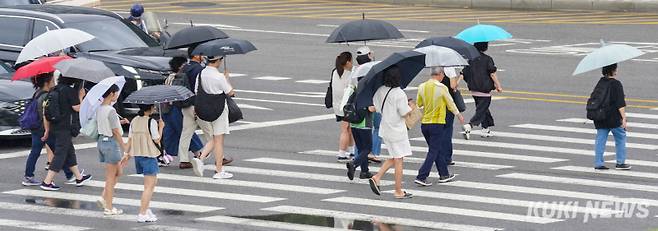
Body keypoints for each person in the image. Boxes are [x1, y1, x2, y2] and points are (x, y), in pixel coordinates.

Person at [179, 50, 233, 169]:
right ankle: (209, 158)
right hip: (199, 105)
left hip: (186, 104)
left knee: (186, 133)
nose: (202, 57)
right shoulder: (199, 70)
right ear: (195, 55)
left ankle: (183, 159)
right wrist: (225, 78)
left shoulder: (184, 67)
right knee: (213, 135)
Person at [368, 66, 414, 199]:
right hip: (397, 130)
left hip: (385, 128)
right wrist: (410, 106)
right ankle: (398, 191)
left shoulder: (380, 90)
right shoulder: (399, 93)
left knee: (395, 157)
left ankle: (377, 177)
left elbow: (374, 108)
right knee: (399, 159)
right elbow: (404, 113)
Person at [22, 73, 76, 186]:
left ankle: (28, 176)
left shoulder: (37, 93)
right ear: (47, 82)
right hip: (44, 129)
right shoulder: (46, 96)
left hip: (35, 127)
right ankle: (70, 175)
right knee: (60, 152)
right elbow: (46, 115)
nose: (54, 82)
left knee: (36, 152)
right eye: (52, 80)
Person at [414, 67, 465, 186]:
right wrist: (458, 114)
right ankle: (422, 176)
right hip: (437, 123)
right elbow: (450, 103)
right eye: (443, 75)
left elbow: (419, 103)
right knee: (433, 151)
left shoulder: (422, 86)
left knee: (437, 149)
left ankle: (444, 174)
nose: (443, 77)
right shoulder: (442, 88)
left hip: (425, 123)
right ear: (440, 74)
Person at [41, 76, 92, 191]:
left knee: (69, 152)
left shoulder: (55, 89)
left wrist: (47, 129)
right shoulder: (70, 91)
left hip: (55, 125)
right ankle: (47, 182)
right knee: (60, 154)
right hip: (65, 128)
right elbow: (78, 108)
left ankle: (79, 177)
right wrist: (80, 96)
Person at [193, 56, 235, 179]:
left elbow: (196, 90)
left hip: (204, 108)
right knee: (219, 140)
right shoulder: (219, 76)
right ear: (217, 61)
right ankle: (218, 170)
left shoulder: (201, 74)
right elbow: (230, 92)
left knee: (214, 138)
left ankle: (200, 159)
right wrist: (226, 78)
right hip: (219, 109)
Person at [120, 104, 163, 223]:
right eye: (153, 107)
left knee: (149, 185)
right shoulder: (151, 122)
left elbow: (130, 139)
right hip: (149, 155)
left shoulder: (134, 120)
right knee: (149, 187)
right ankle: (142, 213)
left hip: (138, 156)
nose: (154, 108)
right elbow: (157, 139)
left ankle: (146, 209)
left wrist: (126, 154)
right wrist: (161, 127)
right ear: (149, 108)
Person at [162, 56, 204, 164]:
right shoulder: (179, 77)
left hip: (168, 108)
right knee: (185, 131)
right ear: (181, 66)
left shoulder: (169, 77)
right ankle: (197, 153)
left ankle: (164, 154)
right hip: (176, 108)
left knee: (171, 132)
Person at [95, 84, 129, 215]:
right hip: (111, 143)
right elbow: (115, 131)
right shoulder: (111, 110)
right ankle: (108, 207)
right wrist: (124, 146)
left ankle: (104, 197)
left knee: (118, 172)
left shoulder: (100, 109)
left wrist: (121, 122)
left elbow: (108, 124)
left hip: (102, 142)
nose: (117, 95)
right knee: (110, 177)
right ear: (111, 94)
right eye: (116, 93)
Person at [592, 64, 631, 171]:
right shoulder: (616, 84)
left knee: (600, 139)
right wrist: (624, 118)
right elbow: (620, 103)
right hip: (613, 117)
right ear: (613, 71)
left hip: (600, 116)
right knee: (620, 137)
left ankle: (598, 163)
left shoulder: (600, 82)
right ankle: (620, 162)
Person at [461, 42, 502, 140]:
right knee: (481, 111)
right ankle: (469, 126)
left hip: (474, 90)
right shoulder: (488, 59)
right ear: (485, 47)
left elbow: (464, 73)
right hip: (484, 90)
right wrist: (498, 86)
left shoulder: (471, 60)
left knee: (483, 110)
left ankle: (485, 129)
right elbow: (492, 74)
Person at [345, 76, 375, 181]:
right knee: (367, 148)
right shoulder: (367, 93)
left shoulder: (354, 90)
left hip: (354, 123)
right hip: (364, 124)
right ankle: (354, 163)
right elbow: (371, 109)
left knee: (362, 149)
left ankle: (364, 171)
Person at [355, 46, 382, 164]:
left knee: (360, 131)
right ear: (368, 56)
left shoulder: (356, 71)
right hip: (373, 102)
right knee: (377, 128)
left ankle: (358, 155)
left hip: (359, 104)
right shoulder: (372, 70)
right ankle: (374, 153)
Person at [332, 52, 355, 162]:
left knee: (349, 128)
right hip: (346, 106)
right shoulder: (349, 75)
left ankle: (352, 151)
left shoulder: (335, 72)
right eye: (351, 61)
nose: (352, 63)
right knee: (345, 129)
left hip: (337, 105)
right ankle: (341, 153)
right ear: (347, 62)